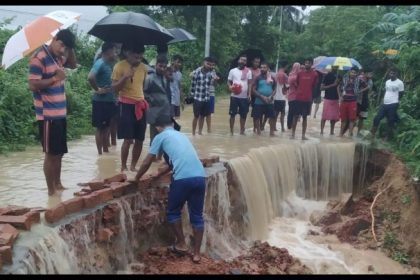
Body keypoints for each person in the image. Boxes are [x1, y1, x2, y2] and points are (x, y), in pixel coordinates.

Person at [133, 114, 206, 264]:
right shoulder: (181, 135)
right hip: (200, 177)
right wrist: (161, 172)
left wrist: (137, 178)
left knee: (173, 212)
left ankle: (182, 244)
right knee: (197, 216)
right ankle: (197, 254)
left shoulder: (160, 136)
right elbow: (179, 160)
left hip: (182, 180)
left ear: (157, 127)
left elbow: (148, 161)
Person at [28, 29, 77, 196]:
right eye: (61, 45)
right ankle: (51, 192)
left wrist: (69, 47)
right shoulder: (39, 57)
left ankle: (58, 184)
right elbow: (33, 85)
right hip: (47, 115)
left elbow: (72, 64)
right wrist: (55, 78)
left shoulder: (57, 57)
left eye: (66, 47)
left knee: (60, 152)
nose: (62, 50)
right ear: (54, 38)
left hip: (60, 113)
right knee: (51, 154)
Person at [111, 42, 148, 172]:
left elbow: (141, 87)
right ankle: (123, 166)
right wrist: (125, 77)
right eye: (135, 53)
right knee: (128, 139)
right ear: (128, 53)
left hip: (140, 105)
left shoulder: (144, 68)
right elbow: (114, 88)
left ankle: (133, 166)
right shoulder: (119, 66)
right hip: (125, 105)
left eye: (140, 54)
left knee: (140, 139)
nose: (138, 56)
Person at [88, 42, 118, 155]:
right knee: (101, 128)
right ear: (108, 51)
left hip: (109, 101)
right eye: (114, 51)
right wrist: (98, 89)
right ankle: (100, 153)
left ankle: (105, 153)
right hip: (100, 102)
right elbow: (90, 77)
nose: (115, 54)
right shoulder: (100, 63)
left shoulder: (109, 64)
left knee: (107, 128)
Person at [144, 55, 171, 144]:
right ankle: (152, 157)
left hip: (165, 111)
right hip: (155, 112)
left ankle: (159, 157)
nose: (162, 69)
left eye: (164, 67)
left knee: (165, 137)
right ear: (156, 65)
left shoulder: (165, 77)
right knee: (154, 138)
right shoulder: (150, 78)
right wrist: (153, 101)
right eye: (160, 66)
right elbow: (144, 92)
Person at [370, 68, 404, 140]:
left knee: (390, 120)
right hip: (385, 103)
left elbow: (401, 94)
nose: (391, 75)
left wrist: (396, 101)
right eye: (390, 73)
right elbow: (386, 91)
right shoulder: (387, 82)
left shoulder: (400, 83)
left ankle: (388, 137)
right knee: (377, 118)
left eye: (393, 73)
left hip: (393, 103)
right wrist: (382, 101)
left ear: (396, 74)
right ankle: (372, 135)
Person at [291, 58, 318, 140]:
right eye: (306, 63)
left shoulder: (315, 74)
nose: (307, 64)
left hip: (307, 99)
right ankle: (293, 134)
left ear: (311, 64)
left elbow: (314, 86)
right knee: (295, 116)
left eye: (309, 63)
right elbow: (297, 83)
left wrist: (312, 97)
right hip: (298, 98)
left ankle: (303, 135)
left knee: (305, 117)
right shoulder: (300, 73)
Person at [228, 55, 252, 135]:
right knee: (232, 114)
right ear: (238, 61)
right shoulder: (232, 71)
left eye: (244, 60)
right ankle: (231, 131)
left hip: (244, 97)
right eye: (241, 60)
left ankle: (242, 131)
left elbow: (250, 83)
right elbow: (229, 81)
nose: (242, 61)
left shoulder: (248, 71)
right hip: (234, 96)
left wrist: (249, 94)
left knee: (243, 115)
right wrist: (230, 87)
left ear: (246, 62)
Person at [338, 66, 366, 137]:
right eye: (352, 72)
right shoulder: (344, 79)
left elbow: (367, 86)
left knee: (352, 119)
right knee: (343, 119)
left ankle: (350, 134)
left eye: (355, 73)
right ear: (349, 72)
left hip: (353, 102)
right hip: (344, 101)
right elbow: (338, 87)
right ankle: (341, 133)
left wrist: (359, 91)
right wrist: (340, 96)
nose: (353, 74)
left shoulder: (359, 80)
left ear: (356, 74)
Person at [252, 62, 277, 136]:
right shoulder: (257, 77)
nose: (262, 69)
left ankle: (271, 132)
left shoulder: (272, 78)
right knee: (257, 117)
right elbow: (253, 89)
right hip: (259, 101)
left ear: (268, 68)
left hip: (270, 101)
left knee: (272, 117)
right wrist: (261, 97)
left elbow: (275, 88)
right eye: (261, 67)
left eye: (264, 67)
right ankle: (258, 132)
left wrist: (271, 96)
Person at [320, 65, 341, 135]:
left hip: (336, 98)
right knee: (324, 116)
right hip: (327, 98)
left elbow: (339, 88)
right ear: (332, 67)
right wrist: (332, 85)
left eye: (337, 67)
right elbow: (321, 88)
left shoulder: (339, 77)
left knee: (334, 117)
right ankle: (321, 131)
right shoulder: (327, 76)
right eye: (334, 66)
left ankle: (331, 132)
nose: (335, 68)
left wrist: (340, 97)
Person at [356, 69, 373, 136]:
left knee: (362, 118)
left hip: (364, 100)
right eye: (370, 73)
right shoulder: (359, 78)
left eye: (372, 74)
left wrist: (361, 90)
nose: (371, 75)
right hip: (357, 100)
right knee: (354, 117)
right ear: (365, 73)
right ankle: (350, 131)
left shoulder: (370, 81)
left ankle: (358, 133)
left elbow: (369, 89)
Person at [273, 60, 288, 132]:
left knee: (275, 113)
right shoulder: (285, 75)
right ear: (286, 66)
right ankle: (282, 128)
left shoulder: (276, 74)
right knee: (282, 113)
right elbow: (287, 86)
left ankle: (274, 127)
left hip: (276, 97)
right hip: (282, 97)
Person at [206, 60, 219, 133]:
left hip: (211, 94)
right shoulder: (202, 71)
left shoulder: (214, 73)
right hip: (203, 94)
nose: (212, 66)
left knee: (209, 113)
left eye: (213, 65)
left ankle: (209, 129)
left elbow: (215, 85)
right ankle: (199, 131)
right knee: (200, 114)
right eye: (211, 64)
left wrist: (215, 80)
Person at [286, 63, 301, 130]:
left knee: (290, 112)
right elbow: (298, 86)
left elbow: (288, 85)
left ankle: (289, 126)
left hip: (290, 95)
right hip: (296, 96)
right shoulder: (297, 76)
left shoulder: (290, 74)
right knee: (295, 113)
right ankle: (292, 127)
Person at [169, 54, 184, 119]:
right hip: (169, 100)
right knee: (170, 119)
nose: (179, 64)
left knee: (176, 119)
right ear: (173, 61)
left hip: (176, 100)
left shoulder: (179, 74)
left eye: (181, 63)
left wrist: (182, 101)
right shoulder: (167, 71)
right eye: (178, 62)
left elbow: (180, 87)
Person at [249, 57, 261, 133]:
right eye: (255, 62)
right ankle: (254, 128)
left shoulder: (261, 71)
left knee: (257, 111)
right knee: (248, 111)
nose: (256, 63)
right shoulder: (248, 70)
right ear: (252, 62)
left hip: (257, 94)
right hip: (249, 93)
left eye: (258, 62)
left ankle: (256, 127)